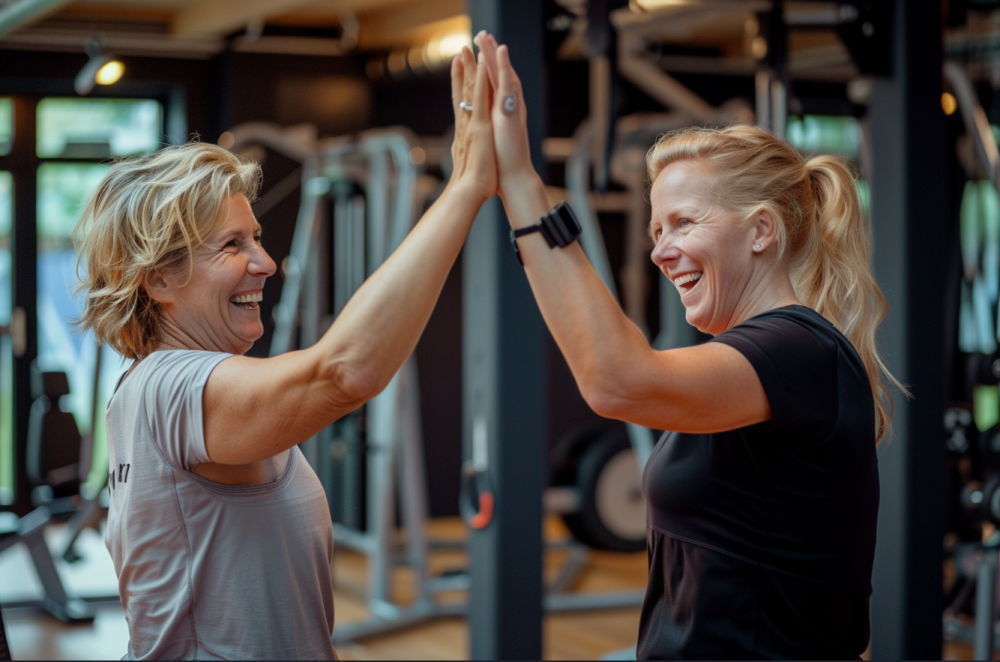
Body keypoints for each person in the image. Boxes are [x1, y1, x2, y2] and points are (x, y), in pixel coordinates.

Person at [472, 31, 903, 660]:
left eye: (683, 223)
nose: (659, 250)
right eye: (655, 229)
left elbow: (617, 380)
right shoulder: (752, 361)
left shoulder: (799, 350)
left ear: (761, 231)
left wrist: (519, 180)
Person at [74, 45, 496, 660]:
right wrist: (466, 188)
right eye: (231, 245)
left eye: (258, 238)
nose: (265, 263)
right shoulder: (174, 384)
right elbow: (345, 373)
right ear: (158, 280)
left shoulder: (149, 386)